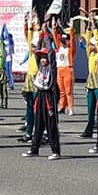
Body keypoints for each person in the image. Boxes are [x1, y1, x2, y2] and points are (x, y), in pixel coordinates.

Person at [23, 26, 61, 160]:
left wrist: (46, 34)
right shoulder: (40, 66)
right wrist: (40, 36)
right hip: (40, 95)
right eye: (42, 58)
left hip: (49, 96)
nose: (43, 59)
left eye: (45, 58)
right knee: (38, 124)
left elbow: (51, 52)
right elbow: (36, 52)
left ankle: (55, 151)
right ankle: (34, 149)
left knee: (51, 124)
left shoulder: (52, 68)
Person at [54, 22, 76, 115]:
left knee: (68, 91)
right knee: (62, 91)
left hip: (68, 69)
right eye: (62, 40)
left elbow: (72, 41)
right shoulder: (59, 47)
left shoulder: (70, 49)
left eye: (65, 40)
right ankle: (62, 106)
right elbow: (56, 37)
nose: (63, 42)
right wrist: (55, 28)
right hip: (59, 70)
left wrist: (71, 30)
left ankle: (70, 108)